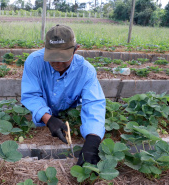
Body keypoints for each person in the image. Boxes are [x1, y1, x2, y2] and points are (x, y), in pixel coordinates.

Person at [21, 24, 106, 166]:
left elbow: (94, 103)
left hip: (68, 112)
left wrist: (93, 140)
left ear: (76, 49)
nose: (58, 63)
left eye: (63, 58)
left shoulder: (86, 71)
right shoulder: (34, 62)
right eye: (53, 57)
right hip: (43, 113)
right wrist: (48, 119)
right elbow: (31, 95)